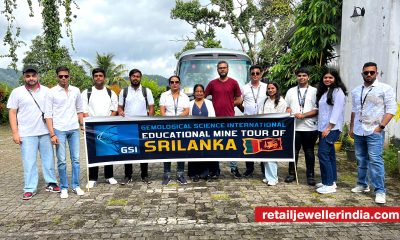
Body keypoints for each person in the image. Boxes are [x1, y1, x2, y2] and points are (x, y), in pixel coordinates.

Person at [7, 66, 60, 200]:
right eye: (28, 76)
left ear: (38, 76)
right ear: (23, 77)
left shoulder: (47, 91)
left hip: (45, 132)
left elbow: (54, 110)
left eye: (33, 75)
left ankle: (51, 183)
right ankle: (30, 188)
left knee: (48, 159)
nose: (31, 78)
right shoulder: (17, 92)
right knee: (29, 162)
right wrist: (15, 133)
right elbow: (12, 112)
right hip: (26, 133)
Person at [349, 62, 397, 204]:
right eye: (366, 72)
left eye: (371, 72)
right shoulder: (356, 90)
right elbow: (354, 110)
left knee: (375, 160)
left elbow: (391, 110)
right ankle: (362, 184)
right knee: (361, 158)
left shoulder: (385, 89)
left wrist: (380, 127)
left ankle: (380, 191)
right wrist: (351, 128)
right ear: (362, 74)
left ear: (377, 73)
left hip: (374, 130)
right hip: (359, 130)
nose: (369, 75)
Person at [45, 66, 84, 199]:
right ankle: (64, 187)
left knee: (76, 160)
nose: (63, 78)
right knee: (61, 161)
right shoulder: (51, 92)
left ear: (69, 76)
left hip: (74, 129)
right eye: (60, 76)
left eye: (66, 76)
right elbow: (48, 115)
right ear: (57, 77)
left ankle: (76, 185)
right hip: (59, 129)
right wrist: (52, 134)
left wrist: (82, 124)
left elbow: (79, 109)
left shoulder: (76, 91)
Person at [81, 68, 119, 188]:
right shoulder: (86, 92)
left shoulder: (110, 93)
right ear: (93, 78)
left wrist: (108, 121)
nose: (98, 78)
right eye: (96, 76)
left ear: (104, 78)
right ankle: (92, 178)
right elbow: (84, 110)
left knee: (108, 150)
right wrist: (88, 123)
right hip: (92, 126)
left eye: (100, 76)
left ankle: (109, 176)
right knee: (93, 152)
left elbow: (114, 109)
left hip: (107, 125)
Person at [204, 61, 242, 178]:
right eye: (220, 68)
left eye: (224, 68)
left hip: (230, 118)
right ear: (217, 70)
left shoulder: (234, 83)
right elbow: (203, 97)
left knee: (232, 144)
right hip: (215, 119)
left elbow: (239, 100)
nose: (222, 70)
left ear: (228, 69)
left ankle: (234, 168)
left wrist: (230, 103)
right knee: (216, 145)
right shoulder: (212, 84)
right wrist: (212, 105)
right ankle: (216, 170)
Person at [118, 69, 155, 185]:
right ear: (130, 77)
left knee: (143, 151)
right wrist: (120, 112)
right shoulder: (123, 92)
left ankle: (144, 175)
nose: (135, 78)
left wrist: (149, 121)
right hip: (127, 126)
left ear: (140, 78)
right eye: (133, 76)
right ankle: (128, 175)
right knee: (128, 151)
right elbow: (120, 107)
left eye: (138, 76)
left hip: (142, 126)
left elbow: (151, 107)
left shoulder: (146, 91)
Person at [284, 67, 318, 186]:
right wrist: (292, 113)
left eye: (304, 75)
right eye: (299, 75)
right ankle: (292, 174)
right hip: (294, 127)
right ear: (296, 77)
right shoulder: (291, 91)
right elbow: (287, 107)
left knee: (309, 152)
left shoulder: (315, 91)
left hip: (310, 127)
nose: (302, 77)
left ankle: (310, 176)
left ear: (308, 77)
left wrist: (303, 115)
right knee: (294, 151)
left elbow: (317, 109)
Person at [315, 68, 347, 194]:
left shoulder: (338, 92)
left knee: (322, 153)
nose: (327, 79)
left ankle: (328, 185)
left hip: (331, 128)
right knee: (329, 154)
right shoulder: (324, 91)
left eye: (330, 77)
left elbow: (336, 111)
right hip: (322, 127)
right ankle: (330, 180)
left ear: (335, 78)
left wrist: (328, 128)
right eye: (325, 77)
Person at [159, 75, 190, 185]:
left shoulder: (185, 96)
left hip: (181, 126)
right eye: (172, 82)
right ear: (169, 84)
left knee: (180, 150)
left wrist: (177, 119)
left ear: (179, 83)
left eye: (176, 82)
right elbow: (162, 110)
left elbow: (187, 111)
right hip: (167, 126)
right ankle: (166, 174)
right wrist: (169, 121)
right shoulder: (164, 95)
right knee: (167, 150)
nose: (174, 84)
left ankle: (180, 174)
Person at [238, 65, 267, 177]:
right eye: (253, 73)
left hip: (263, 120)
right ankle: (249, 168)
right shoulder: (244, 88)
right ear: (250, 75)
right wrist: (244, 111)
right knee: (249, 143)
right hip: (249, 120)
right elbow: (239, 102)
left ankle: (264, 168)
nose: (255, 75)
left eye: (257, 73)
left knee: (263, 143)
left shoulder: (266, 87)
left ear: (261, 74)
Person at [259, 82, 287, 186]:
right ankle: (268, 176)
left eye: (273, 88)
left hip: (275, 131)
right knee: (265, 154)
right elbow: (260, 114)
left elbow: (281, 117)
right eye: (269, 88)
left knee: (272, 154)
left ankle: (273, 178)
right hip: (264, 130)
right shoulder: (265, 100)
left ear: (277, 89)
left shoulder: (281, 101)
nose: (270, 90)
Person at [188, 84, 216, 182]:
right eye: (197, 91)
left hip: (206, 133)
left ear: (204, 93)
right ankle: (194, 173)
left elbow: (213, 117)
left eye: (201, 91)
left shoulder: (209, 103)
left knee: (205, 152)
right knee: (194, 152)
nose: (199, 93)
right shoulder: (190, 104)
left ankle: (205, 173)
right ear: (194, 93)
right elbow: (188, 119)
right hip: (194, 133)